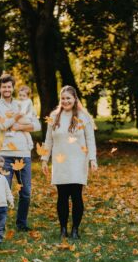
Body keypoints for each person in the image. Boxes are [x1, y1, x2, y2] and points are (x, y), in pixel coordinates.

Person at [41, 85, 98, 239]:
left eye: (68, 98)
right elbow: (48, 140)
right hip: (60, 161)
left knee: (77, 195)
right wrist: (45, 159)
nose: (65, 101)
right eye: (63, 98)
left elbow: (90, 139)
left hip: (78, 161)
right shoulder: (54, 116)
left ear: (74, 99)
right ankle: (63, 229)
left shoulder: (83, 116)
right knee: (62, 196)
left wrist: (92, 159)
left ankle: (75, 230)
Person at [0, 74, 41, 232]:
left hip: (24, 153)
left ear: (12, 88)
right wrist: (16, 119)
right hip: (4, 155)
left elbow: (37, 125)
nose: (6, 89)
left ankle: (21, 223)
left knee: (25, 192)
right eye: (3, 86)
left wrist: (17, 126)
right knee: (1, 191)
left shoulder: (22, 104)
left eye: (9, 86)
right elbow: (0, 125)